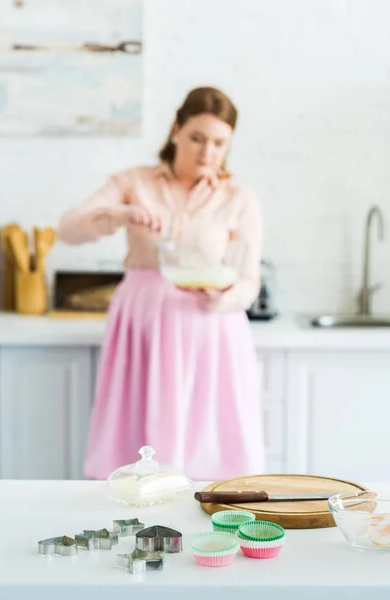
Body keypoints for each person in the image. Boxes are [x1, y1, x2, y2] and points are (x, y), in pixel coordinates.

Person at [57, 86, 265, 481]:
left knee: (211, 447)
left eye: (220, 143)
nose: (208, 153)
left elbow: (249, 280)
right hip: (142, 326)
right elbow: (68, 230)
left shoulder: (240, 197)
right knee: (142, 447)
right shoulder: (133, 182)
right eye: (197, 138)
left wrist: (224, 297)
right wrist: (119, 215)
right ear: (176, 131)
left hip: (212, 329)